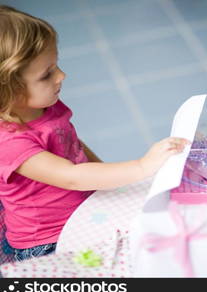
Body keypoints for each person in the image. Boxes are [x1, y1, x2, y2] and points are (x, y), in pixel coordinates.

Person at [0, 6, 189, 261]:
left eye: (56, 66)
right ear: (8, 91)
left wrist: (105, 179)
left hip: (84, 212)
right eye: (47, 75)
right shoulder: (9, 143)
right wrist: (142, 166)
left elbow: (70, 144)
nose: (62, 76)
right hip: (48, 240)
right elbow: (71, 176)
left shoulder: (43, 105)